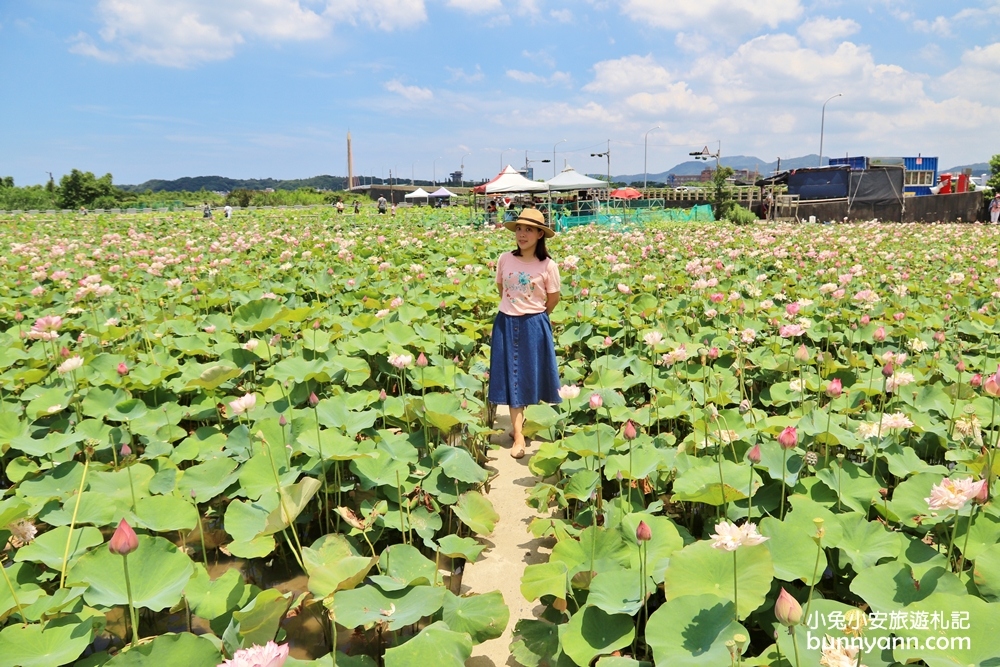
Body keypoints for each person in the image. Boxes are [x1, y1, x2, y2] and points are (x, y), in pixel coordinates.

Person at [489, 208, 562, 459]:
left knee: (529, 378)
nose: (522, 234)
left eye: (528, 229)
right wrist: (513, 309)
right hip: (506, 322)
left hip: (534, 324)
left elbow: (553, 299)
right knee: (513, 379)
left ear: (540, 234)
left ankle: (520, 425)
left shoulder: (548, 265)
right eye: (519, 228)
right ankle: (518, 435)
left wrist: (535, 316)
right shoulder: (504, 259)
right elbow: (501, 287)